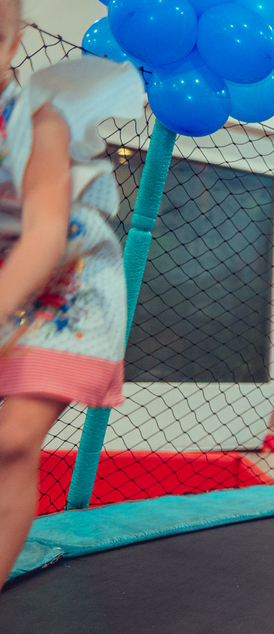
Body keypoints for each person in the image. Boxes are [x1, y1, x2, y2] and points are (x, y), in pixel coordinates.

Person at [0, 1, 144, 585]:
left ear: (12, 44)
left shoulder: (38, 120)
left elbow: (43, 234)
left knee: (11, 441)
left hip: (67, 285)